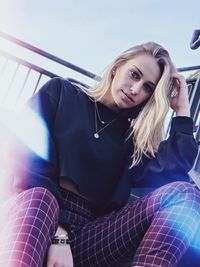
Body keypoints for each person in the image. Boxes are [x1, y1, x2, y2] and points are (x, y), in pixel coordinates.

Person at [0, 41, 199, 267]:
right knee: (41, 200)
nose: (135, 89)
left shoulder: (131, 142)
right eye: (134, 75)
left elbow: (175, 167)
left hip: (88, 237)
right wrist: (60, 234)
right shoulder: (61, 93)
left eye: (147, 88)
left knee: (186, 194)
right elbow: (28, 161)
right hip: (32, 212)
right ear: (117, 68)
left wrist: (182, 111)